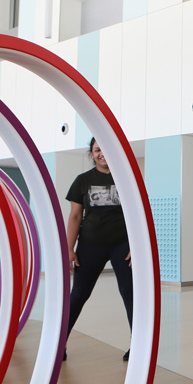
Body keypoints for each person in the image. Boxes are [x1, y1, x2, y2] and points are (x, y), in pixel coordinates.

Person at [64, 137, 133, 361]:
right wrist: (69, 248)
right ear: (91, 154)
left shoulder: (126, 178)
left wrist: (137, 246)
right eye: (97, 149)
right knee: (78, 295)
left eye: (105, 148)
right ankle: (58, 344)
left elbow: (138, 213)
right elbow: (75, 216)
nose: (102, 153)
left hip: (121, 245)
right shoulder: (82, 181)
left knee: (130, 294)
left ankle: (139, 345)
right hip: (90, 245)